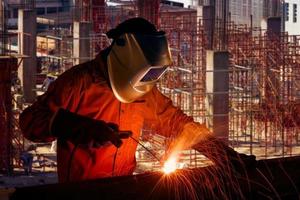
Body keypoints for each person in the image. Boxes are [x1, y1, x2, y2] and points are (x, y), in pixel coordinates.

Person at [19, 17, 255, 183]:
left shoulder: (144, 93)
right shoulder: (78, 82)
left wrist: (225, 156)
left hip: (123, 188)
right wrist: (75, 126)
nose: (148, 81)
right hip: (80, 192)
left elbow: (180, 125)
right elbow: (29, 122)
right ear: (126, 56)